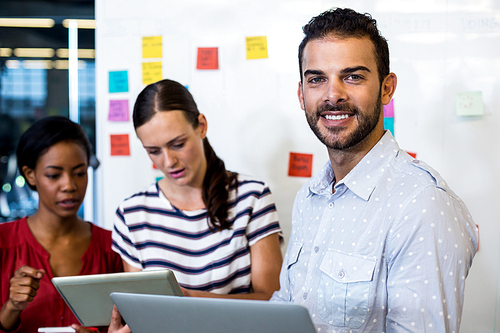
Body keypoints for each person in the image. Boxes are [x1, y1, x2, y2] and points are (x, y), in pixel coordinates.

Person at [271, 8, 478, 333]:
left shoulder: (422, 205)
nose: (332, 95)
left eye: (353, 76)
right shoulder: (309, 198)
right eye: (317, 79)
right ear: (301, 94)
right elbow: (287, 307)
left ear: (386, 88)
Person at [112, 79, 283, 300]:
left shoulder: (252, 198)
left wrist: (190, 300)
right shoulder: (132, 214)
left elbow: (272, 300)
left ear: (201, 126)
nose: (168, 161)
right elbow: (138, 309)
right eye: (154, 151)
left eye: (178, 144)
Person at [0, 116, 123, 333]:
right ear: (30, 175)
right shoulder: (4, 243)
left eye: (79, 173)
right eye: (54, 175)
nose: (69, 185)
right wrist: (12, 307)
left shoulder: (114, 248)